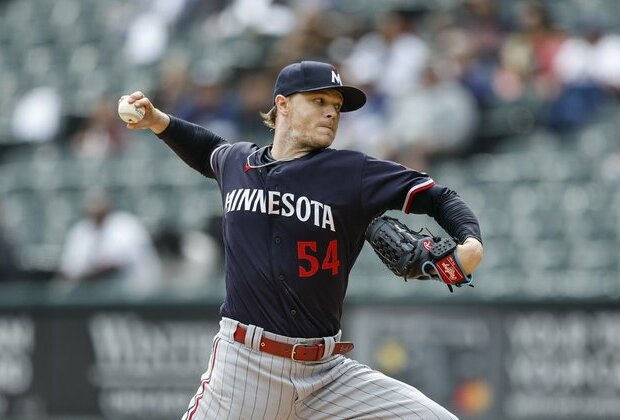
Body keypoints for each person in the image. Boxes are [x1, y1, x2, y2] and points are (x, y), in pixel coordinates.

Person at [121, 60, 483, 419]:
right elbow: (206, 151)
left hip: (328, 376)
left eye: (337, 107)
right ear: (283, 105)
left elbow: (439, 196)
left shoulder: (350, 172)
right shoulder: (237, 163)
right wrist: (157, 121)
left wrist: (470, 241)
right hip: (245, 369)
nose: (332, 114)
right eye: (319, 101)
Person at [58, 190, 162, 294]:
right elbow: (69, 269)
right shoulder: (79, 231)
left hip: (130, 292)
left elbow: (123, 262)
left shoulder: (127, 225)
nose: (96, 209)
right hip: (90, 294)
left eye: (99, 203)